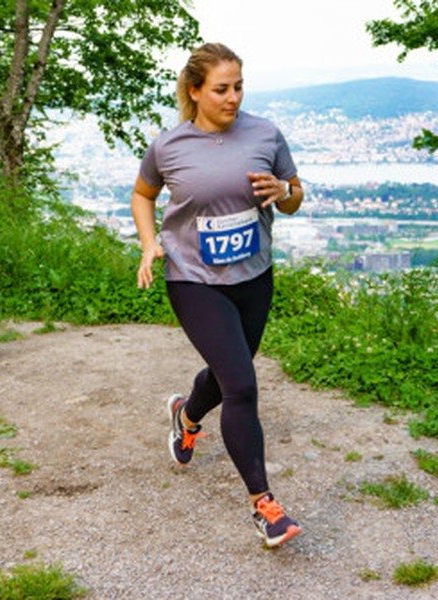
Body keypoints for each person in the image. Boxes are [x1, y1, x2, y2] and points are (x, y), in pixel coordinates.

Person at [131, 43, 306, 548]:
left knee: (232, 370)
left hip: (253, 276)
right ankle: (265, 506)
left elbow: (294, 195)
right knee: (242, 385)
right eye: (221, 89)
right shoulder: (169, 146)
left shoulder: (265, 134)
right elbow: (143, 195)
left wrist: (283, 192)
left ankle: (186, 415)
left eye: (238, 87)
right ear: (195, 91)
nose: (233, 98)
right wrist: (150, 244)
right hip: (193, 279)